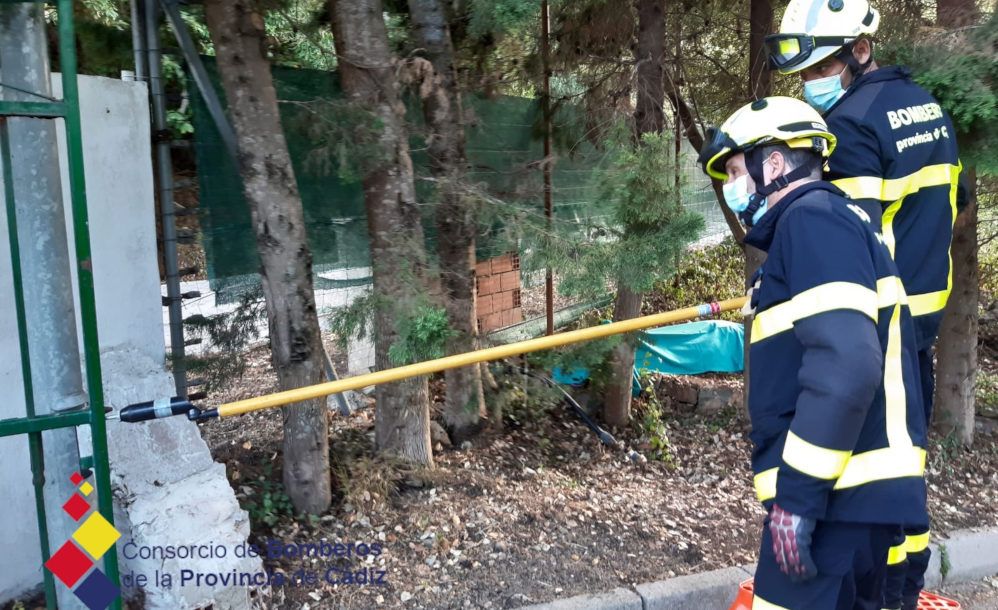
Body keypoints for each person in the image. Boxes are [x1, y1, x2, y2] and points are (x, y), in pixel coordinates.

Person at [765, 2, 962, 606]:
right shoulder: (923, 105)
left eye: (820, 64)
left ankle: (887, 591)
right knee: (905, 470)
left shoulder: (850, 127)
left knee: (868, 477)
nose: (809, 83)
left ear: (859, 49)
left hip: (877, 330)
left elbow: (846, 245)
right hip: (921, 321)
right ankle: (904, 584)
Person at [698, 96, 928, 610]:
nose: (732, 187)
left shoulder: (813, 221)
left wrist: (797, 502)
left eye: (736, 170)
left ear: (773, 163)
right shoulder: (833, 222)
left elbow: (846, 367)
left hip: (832, 503)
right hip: (850, 500)